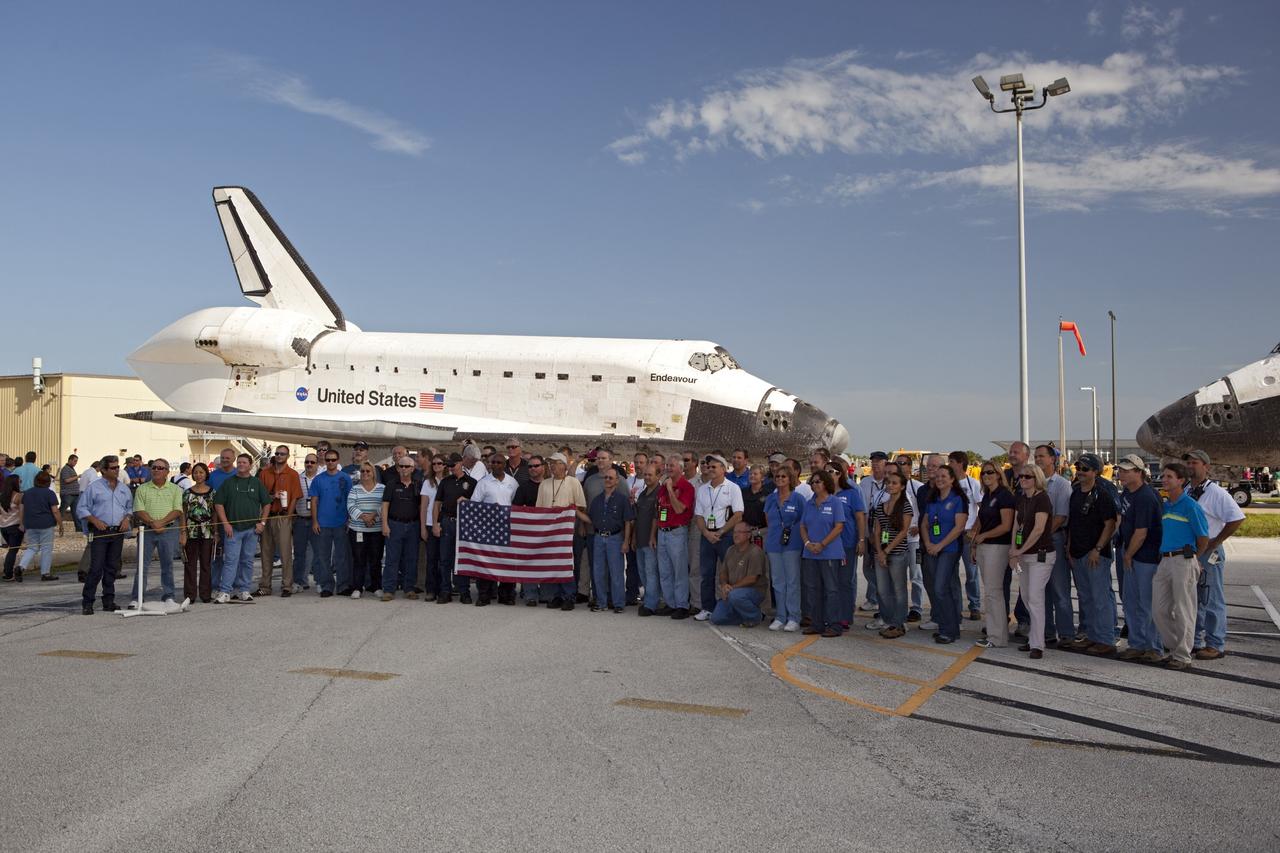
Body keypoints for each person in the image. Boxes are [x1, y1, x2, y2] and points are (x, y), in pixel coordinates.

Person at [1183, 450, 1246, 661]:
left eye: (1195, 462)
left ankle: (1215, 643)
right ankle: (1196, 640)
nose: (1191, 466)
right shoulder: (1187, 489)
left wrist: (1216, 541)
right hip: (1191, 551)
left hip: (1209, 552)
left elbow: (1236, 517)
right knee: (1195, 598)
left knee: (1211, 597)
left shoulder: (1216, 493)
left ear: (1206, 466)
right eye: (1188, 463)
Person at [1153, 462, 1210, 671]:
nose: (1164, 479)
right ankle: (1175, 647)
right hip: (1165, 560)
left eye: (1169, 476)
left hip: (1183, 560)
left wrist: (1194, 558)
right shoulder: (1166, 506)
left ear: (1181, 480)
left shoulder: (1191, 506)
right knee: (1159, 610)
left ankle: (1183, 655)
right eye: (1163, 476)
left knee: (1184, 609)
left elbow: (1203, 537)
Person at [1064, 452, 1119, 655]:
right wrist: (1069, 547)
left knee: (1100, 597)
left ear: (1095, 472)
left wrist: (1097, 549)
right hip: (1077, 553)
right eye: (1079, 468)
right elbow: (1073, 523)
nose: (1080, 472)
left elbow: (1110, 524)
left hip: (1095, 554)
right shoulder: (1075, 492)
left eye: (1085, 469)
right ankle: (1092, 636)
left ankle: (1105, 639)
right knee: (1085, 597)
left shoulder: (1102, 494)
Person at [1114, 454, 1163, 663]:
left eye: (1126, 471)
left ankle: (1154, 646)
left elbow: (1141, 532)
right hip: (1131, 552)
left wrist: (1128, 554)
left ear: (1139, 472)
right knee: (1131, 601)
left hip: (1145, 556)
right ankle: (1137, 643)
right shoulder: (1127, 492)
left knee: (1147, 603)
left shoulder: (1145, 496)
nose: (1120, 474)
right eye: (1120, 470)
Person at [918, 464, 968, 644]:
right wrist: (929, 543)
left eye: (943, 476)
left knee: (941, 588)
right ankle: (949, 628)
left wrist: (939, 546)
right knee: (936, 589)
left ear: (952, 479)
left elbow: (959, 527)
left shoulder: (958, 499)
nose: (939, 479)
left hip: (949, 550)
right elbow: (924, 524)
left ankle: (949, 629)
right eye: (937, 476)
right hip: (932, 548)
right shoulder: (932, 499)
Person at [212, 453, 272, 603]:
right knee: (231, 561)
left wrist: (262, 523)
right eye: (239, 462)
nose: (241, 464)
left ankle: (244, 590)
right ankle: (225, 591)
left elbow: (266, 503)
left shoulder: (256, 483)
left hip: (252, 530)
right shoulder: (228, 482)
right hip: (233, 529)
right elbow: (218, 504)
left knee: (247, 561)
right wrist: (225, 523)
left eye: (244, 462)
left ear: (250, 465)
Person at [77, 456, 133, 615]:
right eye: (113, 468)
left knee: (112, 567)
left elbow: (129, 507)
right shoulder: (94, 488)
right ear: (103, 470)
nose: (117, 470)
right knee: (96, 568)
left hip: (117, 532)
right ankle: (87, 602)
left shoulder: (124, 488)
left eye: (117, 467)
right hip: (100, 532)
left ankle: (109, 601)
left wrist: (126, 519)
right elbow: (82, 508)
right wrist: (94, 520)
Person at [1009, 464, 1054, 660]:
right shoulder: (1021, 499)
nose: (1023, 479)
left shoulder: (1042, 498)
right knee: (1027, 597)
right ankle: (1033, 639)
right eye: (1021, 476)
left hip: (1040, 555)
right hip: (1024, 555)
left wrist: (1020, 549)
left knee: (1035, 598)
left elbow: (1038, 529)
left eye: (1028, 477)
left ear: (1037, 479)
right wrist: (1014, 551)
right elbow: (1016, 525)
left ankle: (1038, 644)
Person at [693, 454, 744, 622]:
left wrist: (721, 532)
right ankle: (707, 607)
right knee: (706, 573)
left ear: (723, 469)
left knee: (730, 573)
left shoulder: (733, 488)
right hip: (707, 535)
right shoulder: (702, 489)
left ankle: (731, 607)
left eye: (714, 466)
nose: (710, 469)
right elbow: (698, 515)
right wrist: (707, 533)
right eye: (709, 466)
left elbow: (738, 514)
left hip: (725, 535)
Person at [534, 452, 588, 610]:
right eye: (550, 463)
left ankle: (569, 596)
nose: (552, 466)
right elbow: (539, 509)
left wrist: (563, 511)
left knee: (568, 564)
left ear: (564, 465)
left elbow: (581, 506)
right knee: (553, 563)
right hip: (550, 532)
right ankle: (556, 595)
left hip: (568, 531)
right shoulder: (544, 484)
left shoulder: (573, 482)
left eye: (556, 463)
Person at [971, 462, 1015, 648]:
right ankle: (994, 633)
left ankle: (998, 637)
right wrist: (974, 543)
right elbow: (981, 520)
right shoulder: (988, 495)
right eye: (983, 473)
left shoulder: (1004, 496)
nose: (986, 475)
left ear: (998, 474)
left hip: (997, 547)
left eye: (990, 472)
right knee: (990, 593)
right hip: (984, 547)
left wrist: (984, 536)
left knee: (994, 593)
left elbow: (1006, 526)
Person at [1035, 443, 1074, 646]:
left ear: (1053, 459)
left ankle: (1066, 634)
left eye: (1042, 456)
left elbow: (1060, 517)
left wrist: (1040, 535)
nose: (1038, 459)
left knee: (1060, 589)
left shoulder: (1061, 485)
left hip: (1054, 540)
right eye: (1036, 456)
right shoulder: (1033, 485)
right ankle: (1047, 632)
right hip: (1037, 543)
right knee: (1042, 590)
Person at [800, 470, 845, 638]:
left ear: (826, 483)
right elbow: (803, 526)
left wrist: (822, 544)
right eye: (813, 482)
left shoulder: (835, 502)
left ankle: (834, 624)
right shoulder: (809, 503)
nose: (815, 484)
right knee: (813, 589)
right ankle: (817, 623)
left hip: (829, 553)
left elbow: (839, 526)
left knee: (831, 590)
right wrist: (807, 543)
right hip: (810, 553)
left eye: (818, 481)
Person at [870, 469, 914, 639]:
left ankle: (899, 622)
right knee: (882, 589)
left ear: (902, 486)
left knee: (899, 589)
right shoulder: (881, 506)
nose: (890, 485)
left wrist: (887, 551)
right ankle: (889, 621)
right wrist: (880, 551)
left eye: (894, 483)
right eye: (888, 483)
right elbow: (877, 529)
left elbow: (904, 532)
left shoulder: (905, 506)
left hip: (897, 553)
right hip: (881, 552)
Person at [471, 452, 519, 605]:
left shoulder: (513, 483)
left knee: (507, 562)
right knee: (486, 561)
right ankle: (484, 595)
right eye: (493, 463)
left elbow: (514, 504)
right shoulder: (483, 482)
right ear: (489, 464)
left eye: (499, 463)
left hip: (506, 528)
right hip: (487, 528)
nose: (496, 465)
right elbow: (474, 504)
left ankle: (506, 595)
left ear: (504, 465)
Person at [133, 458, 183, 603]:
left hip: (168, 530)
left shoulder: (175, 489)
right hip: (147, 531)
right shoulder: (142, 489)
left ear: (167, 472)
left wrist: (161, 523)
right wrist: (152, 523)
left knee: (167, 565)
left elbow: (177, 510)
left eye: (160, 468)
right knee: (142, 566)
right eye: (154, 467)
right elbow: (139, 510)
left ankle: (168, 595)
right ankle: (137, 598)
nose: (156, 470)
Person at [763, 465, 805, 632]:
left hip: (792, 545)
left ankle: (794, 616)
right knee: (778, 581)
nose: (780, 479)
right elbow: (768, 520)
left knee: (792, 581)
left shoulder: (798, 499)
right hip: (774, 544)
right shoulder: (770, 499)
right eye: (777, 476)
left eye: (783, 477)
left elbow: (803, 521)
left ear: (790, 479)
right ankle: (780, 616)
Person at [828, 462, 868, 630]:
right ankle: (832, 615)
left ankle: (845, 616)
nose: (828, 474)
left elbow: (860, 518)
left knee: (845, 581)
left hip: (847, 544)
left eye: (831, 471)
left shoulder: (851, 493)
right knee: (831, 583)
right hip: (828, 545)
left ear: (839, 474)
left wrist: (861, 540)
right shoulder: (822, 494)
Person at [258, 445, 301, 597]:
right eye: (277, 453)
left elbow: (295, 497)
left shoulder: (293, 474)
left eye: (282, 454)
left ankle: (287, 586)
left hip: (283, 517)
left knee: (285, 554)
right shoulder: (264, 473)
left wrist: (288, 516)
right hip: (267, 517)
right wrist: (271, 497)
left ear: (288, 456)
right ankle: (265, 586)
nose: (279, 456)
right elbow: (260, 496)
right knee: (266, 553)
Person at [588, 467, 633, 613]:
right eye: (605, 477)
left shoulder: (622, 499)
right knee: (598, 572)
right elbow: (590, 519)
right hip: (599, 538)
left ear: (617, 481)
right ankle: (601, 602)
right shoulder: (596, 500)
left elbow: (628, 521)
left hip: (615, 538)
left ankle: (618, 603)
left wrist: (626, 541)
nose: (607, 480)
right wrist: (575, 511)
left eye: (610, 478)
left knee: (616, 573)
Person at [433, 453, 477, 604]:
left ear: (461, 463)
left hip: (464, 524)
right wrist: (435, 524)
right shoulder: (445, 482)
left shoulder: (472, 482)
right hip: (447, 521)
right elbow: (437, 504)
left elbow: (478, 503)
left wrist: (468, 500)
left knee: (462, 558)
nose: (451, 468)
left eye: (453, 465)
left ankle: (464, 591)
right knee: (445, 558)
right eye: (448, 465)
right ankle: (445, 591)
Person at [310, 449, 354, 598]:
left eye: (333, 460)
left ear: (338, 460)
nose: (330, 462)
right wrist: (315, 521)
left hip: (341, 523)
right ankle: (327, 586)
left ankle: (343, 586)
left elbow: (350, 500)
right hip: (323, 524)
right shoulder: (318, 479)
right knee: (323, 557)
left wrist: (349, 519)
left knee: (342, 556)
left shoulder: (345, 478)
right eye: (328, 460)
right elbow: (314, 502)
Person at [655, 456, 694, 620]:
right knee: (664, 571)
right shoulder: (664, 485)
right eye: (667, 465)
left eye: (672, 466)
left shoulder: (687, 487)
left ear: (680, 468)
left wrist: (671, 490)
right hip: (662, 531)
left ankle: (682, 605)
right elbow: (660, 508)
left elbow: (679, 509)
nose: (668, 468)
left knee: (679, 571)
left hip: (677, 532)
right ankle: (670, 603)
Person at [948, 451, 984, 621]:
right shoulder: (949, 484)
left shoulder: (973, 484)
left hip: (968, 534)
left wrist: (974, 531)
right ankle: (955, 607)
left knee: (972, 573)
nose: (949, 465)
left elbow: (981, 509)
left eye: (952, 461)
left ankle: (974, 605)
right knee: (952, 573)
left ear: (961, 463)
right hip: (951, 535)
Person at [709, 523, 768, 626]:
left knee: (735, 596)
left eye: (740, 532)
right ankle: (745, 617)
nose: (736, 535)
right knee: (716, 619)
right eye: (734, 532)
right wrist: (724, 585)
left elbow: (752, 578)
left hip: (753, 591)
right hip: (733, 591)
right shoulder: (730, 550)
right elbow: (723, 572)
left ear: (749, 535)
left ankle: (756, 616)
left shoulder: (755, 551)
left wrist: (731, 588)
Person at [858, 452, 890, 616]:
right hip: (869, 526)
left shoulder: (890, 482)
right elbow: (861, 510)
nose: (876, 464)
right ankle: (874, 597)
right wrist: (864, 535)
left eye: (879, 461)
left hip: (885, 530)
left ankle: (882, 598)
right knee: (867, 567)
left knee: (881, 564)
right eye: (873, 462)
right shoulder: (865, 482)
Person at [347, 463, 385, 598]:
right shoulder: (354, 489)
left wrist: (373, 516)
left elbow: (384, 506)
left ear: (373, 473)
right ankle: (357, 587)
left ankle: (376, 586)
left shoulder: (382, 489)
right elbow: (351, 506)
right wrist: (364, 518)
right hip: (358, 529)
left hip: (376, 530)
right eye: (362, 471)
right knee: (358, 560)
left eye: (368, 471)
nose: (365, 473)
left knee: (376, 559)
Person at [180, 462, 217, 603]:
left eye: (201, 472)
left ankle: (205, 594)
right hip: (191, 531)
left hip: (207, 531)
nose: (198, 475)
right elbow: (183, 513)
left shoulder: (212, 492)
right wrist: (183, 531)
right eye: (195, 472)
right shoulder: (187, 493)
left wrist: (215, 531)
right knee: (190, 564)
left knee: (206, 564)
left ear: (206, 474)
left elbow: (214, 513)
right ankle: (190, 595)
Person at [17, 470, 60, 581]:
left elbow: (22, 509)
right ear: (48, 482)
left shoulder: (27, 493)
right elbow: (55, 511)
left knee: (32, 547)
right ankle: (45, 573)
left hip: (30, 524)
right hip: (46, 523)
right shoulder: (49, 493)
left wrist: (22, 523)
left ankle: (21, 566)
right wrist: (61, 524)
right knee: (46, 548)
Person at [633, 462, 662, 616]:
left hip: (651, 540)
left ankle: (651, 604)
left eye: (651, 475)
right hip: (639, 539)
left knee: (651, 573)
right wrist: (633, 538)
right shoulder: (643, 494)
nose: (647, 477)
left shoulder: (659, 493)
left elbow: (656, 518)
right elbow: (637, 518)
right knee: (643, 572)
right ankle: (649, 600)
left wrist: (652, 536)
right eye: (645, 474)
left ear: (658, 476)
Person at [419, 453, 446, 600]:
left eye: (439, 463)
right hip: (430, 524)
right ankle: (431, 589)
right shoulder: (427, 483)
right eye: (434, 464)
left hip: (446, 524)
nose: (436, 466)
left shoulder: (449, 481)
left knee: (444, 559)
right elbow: (423, 507)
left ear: (445, 465)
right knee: (431, 559)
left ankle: (444, 588)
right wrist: (423, 528)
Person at [293, 453, 319, 593]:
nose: (309, 464)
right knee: (299, 553)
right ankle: (299, 581)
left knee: (319, 553)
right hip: (301, 519)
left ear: (317, 464)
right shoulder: (298, 478)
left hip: (317, 521)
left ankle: (320, 581)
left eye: (312, 462)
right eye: (307, 462)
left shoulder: (320, 479)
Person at [740, 464, 774, 547]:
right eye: (750, 474)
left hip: (763, 532)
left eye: (755, 474)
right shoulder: (742, 492)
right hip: (745, 532)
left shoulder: (768, 494)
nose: (752, 476)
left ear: (762, 477)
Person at [1, 475, 22, 581]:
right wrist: (23, 525)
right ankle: (8, 573)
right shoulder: (18, 496)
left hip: (3, 527)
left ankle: (8, 570)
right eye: (20, 481)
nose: (21, 483)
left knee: (11, 550)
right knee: (13, 550)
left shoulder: (2, 496)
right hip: (15, 526)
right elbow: (22, 512)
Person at [58, 454, 79, 535]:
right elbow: (66, 480)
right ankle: (54, 525)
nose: (76, 463)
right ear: (70, 460)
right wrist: (77, 477)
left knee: (76, 512)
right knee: (62, 511)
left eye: (76, 461)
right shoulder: (65, 469)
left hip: (74, 494)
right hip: (67, 494)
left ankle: (79, 529)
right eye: (74, 461)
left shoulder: (71, 469)